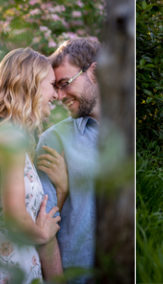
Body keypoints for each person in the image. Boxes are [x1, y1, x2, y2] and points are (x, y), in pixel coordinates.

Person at [0, 48, 66, 283]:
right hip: (7, 263)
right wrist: (43, 233)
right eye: (52, 85)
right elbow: (15, 218)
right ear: (31, 84)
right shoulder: (9, 137)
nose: (56, 95)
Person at [35, 37, 101, 284]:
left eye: (65, 83)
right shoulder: (54, 140)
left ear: (94, 72)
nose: (59, 95)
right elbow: (45, 232)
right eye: (55, 86)